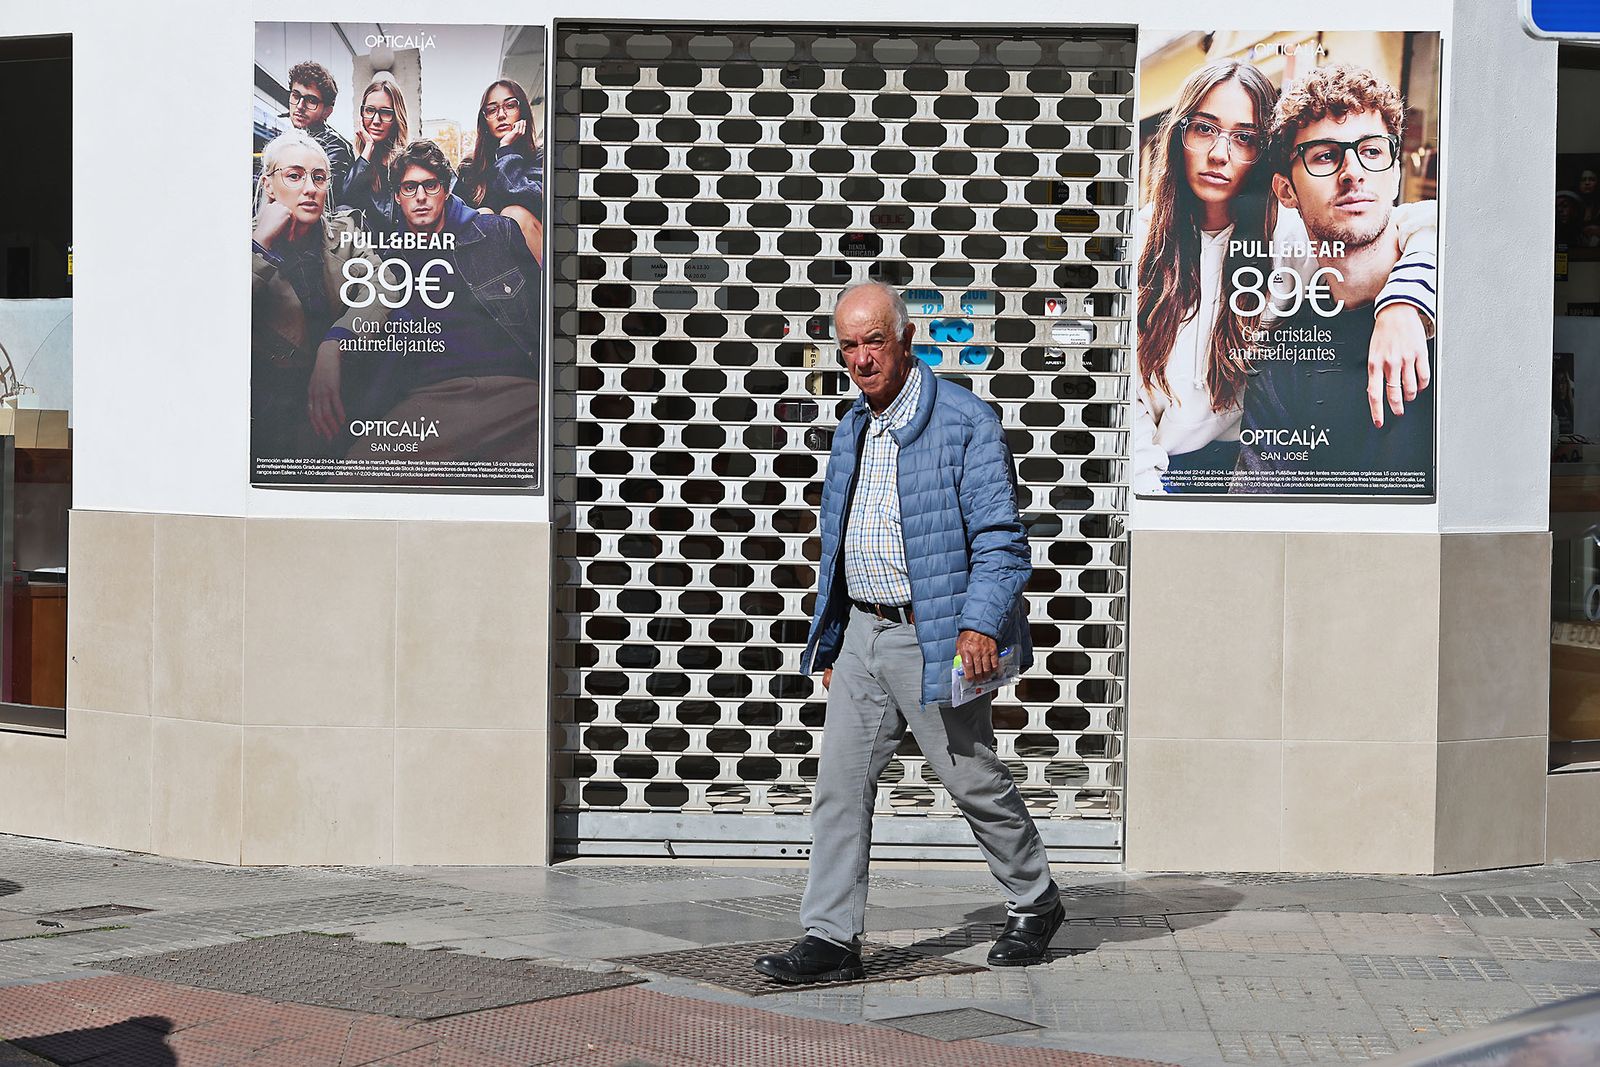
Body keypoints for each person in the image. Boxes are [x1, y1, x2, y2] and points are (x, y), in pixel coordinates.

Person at [752, 281, 1062, 985]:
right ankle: (831, 935)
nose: (862, 359)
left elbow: (1001, 539)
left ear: (905, 340)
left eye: (874, 342)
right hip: (865, 629)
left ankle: (1035, 898)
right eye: (849, 347)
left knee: (971, 777)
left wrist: (979, 622)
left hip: (938, 633)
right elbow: (838, 541)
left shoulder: (964, 422)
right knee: (839, 785)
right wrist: (831, 640)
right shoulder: (852, 427)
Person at [1132, 61, 1437, 495]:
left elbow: (1416, 222)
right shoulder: (1137, 244)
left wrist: (1404, 304)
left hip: (1254, 456)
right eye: (1204, 129)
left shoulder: (1293, 238)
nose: (1220, 154)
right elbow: (1124, 395)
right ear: (1178, 135)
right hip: (1163, 472)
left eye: (1244, 138)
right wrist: (1151, 499)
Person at [1234, 63, 1434, 494]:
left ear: (1395, 176)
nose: (1353, 172)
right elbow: (1259, 513)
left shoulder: (1457, 300)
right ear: (1285, 191)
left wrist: (1405, 305)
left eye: (1372, 151)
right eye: (1325, 155)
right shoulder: (1286, 350)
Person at [340, 140, 540, 469]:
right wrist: (332, 348)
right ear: (397, 196)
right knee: (353, 478)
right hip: (431, 405)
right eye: (409, 187)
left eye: (430, 185)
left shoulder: (496, 233)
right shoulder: (391, 262)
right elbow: (364, 318)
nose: (420, 197)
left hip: (515, 394)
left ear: (445, 190)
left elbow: (542, 316)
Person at [250, 131, 386, 464]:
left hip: (345, 392)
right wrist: (259, 246)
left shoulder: (343, 232)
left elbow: (383, 283)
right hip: (272, 411)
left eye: (319, 177)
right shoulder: (238, 240)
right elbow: (216, 321)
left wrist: (336, 343)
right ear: (268, 185)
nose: (310, 188)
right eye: (294, 176)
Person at [455, 79, 545, 264]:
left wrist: (506, 152)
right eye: (492, 110)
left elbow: (533, 200)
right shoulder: (470, 169)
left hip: (536, 265)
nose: (501, 115)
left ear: (523, 113)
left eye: (510, 105)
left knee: (514, 213)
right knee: (483, 215)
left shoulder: (541, 159)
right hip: (492, 273)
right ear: (484, 120)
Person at [338, 75, 409, 231]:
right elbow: (344, 203)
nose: (376, 120)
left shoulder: (409, 162)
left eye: (385, 112)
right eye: (370, 110)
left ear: (397, 117)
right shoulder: (359, 163)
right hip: (368, 250)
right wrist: (368, 146)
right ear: (361, 115)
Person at [283, 61, 353, 206]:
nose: (300, 106)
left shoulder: (334, 147)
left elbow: (323, 199)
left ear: (327, 111)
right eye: (296, 96)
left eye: (311, 100)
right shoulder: (288, 140)